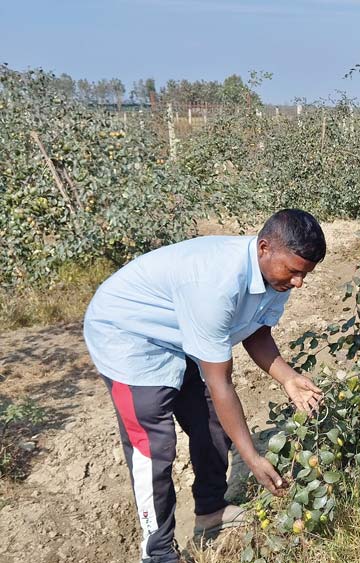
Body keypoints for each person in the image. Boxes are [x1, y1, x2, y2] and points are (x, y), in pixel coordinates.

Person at [83, 209, 326, 563]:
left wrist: (288, 377)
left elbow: (257, 332)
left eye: (305, 274)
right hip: (127, 335)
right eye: (294, 271)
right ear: (263, 248)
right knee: (154, 444)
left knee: (210, 424)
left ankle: (210, 511)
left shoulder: (277, 276)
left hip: (177, 332)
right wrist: (252, 457)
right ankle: (158, 551)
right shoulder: (215, 283)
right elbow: (220, 382)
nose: (299, 282)